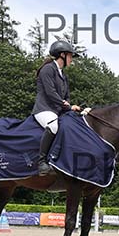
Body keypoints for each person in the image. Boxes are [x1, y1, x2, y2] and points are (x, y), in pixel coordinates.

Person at [32, 40, 81, 175]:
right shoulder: (48, 69)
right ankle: (41, 162)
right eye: (70, 56)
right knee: (53, 126)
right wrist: (67, 106)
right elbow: (50, 93)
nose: (71, 59)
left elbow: (67, 96)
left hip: (57, 110)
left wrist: (70, 107)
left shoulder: (63, 76)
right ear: (62, 55)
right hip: (44, 109)